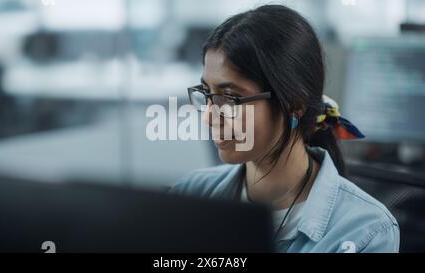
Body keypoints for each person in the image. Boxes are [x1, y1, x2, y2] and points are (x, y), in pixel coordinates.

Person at [170, 5, 399, 253]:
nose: (209, 118)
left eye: (231, 98)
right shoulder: (190, 194)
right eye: (207, 94)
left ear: (294, 105)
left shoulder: (365, 231)